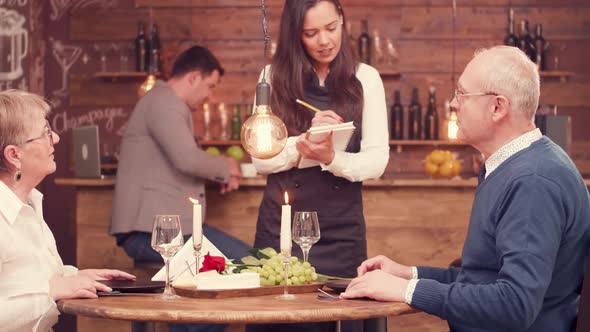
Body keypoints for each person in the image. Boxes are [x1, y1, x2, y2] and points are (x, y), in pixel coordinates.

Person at [341, 46, 590, 332]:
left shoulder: (533, 181)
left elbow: (514, 304)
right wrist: (408, 275)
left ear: (498, 107)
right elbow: (481, 278)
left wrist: (405, 291)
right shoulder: (511, 166)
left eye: (462, 94)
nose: (453, 104)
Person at [248, 0, 389, 331]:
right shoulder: (271, 77)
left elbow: (377, 160)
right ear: (295, 35)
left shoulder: (366, 78)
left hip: (341, 228)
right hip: (280, 227)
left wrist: (330, 157)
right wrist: (303, 142)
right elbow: (260, 157)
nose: (325, 41)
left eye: (331, 28)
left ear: (343, 21)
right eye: (311, 33)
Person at [111, 45, 251, 332]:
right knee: (243, 266)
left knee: (246, 263)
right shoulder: (164, 101)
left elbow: (176, 162)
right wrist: (227, 166)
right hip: (149, 233)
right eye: (209, 86)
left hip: (166, 230)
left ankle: (188, 324)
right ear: (193, 78)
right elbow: (185, 158)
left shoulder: (163, 102)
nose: (210, 95)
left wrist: (219, 175)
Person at [0, 90, 136, 332]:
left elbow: (24, 278)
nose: (56, 139)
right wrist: (51, 292)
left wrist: (76, 276)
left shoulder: (30, 204)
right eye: (45, 134)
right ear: (14, 155)